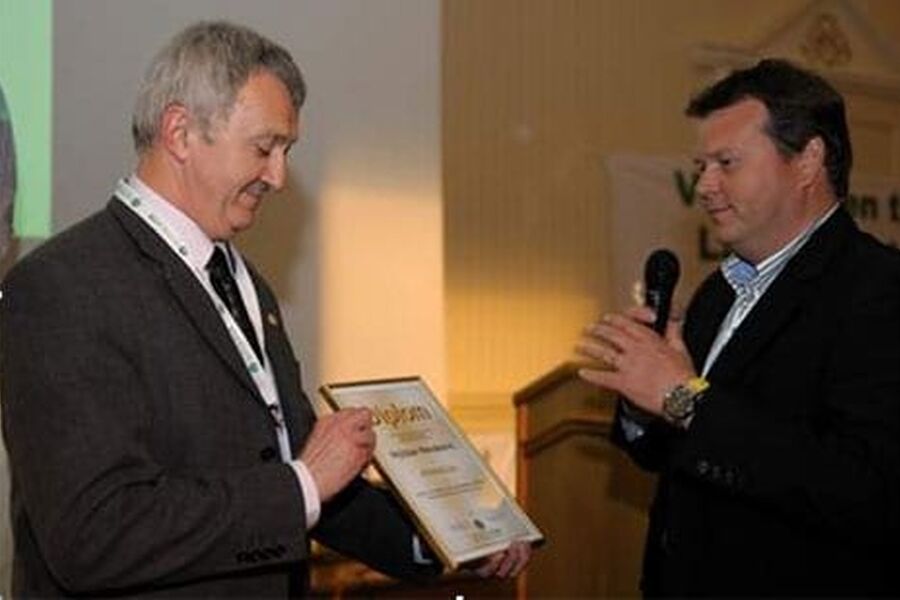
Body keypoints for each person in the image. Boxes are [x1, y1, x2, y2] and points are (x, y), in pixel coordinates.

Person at [0, 21, 529, 598]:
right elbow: (94, 533)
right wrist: (301, 483)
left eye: (287, 151)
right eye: (264, 148)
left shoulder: (245, 284)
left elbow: (302, 474)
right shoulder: (58, 288)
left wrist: (446, 537)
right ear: (179, 132)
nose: (278, 176)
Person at [578, 59, 900, 596]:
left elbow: (866, 491)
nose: (704, 185)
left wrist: (680, 395)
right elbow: (675, 452)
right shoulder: (718, 291)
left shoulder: (878, 290)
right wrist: (642, 403)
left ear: (808, 161)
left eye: (726, 162)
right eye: (700, 165)